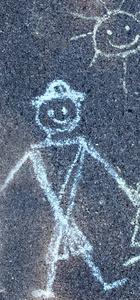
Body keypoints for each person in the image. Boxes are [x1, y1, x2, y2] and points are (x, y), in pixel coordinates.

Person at [1, 80, 129, 298]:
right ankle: (94, 282)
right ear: (42, 114)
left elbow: (104, 166)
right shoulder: (38, 150)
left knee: (60, 246)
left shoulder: (79, 144)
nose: (59, 116)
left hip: (63, 208)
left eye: (64, 109)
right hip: (59, 208)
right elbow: (17, 169)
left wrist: (125, 187)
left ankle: (55, 286)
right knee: (66, 246)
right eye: (51, 111)